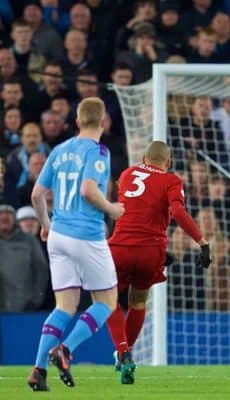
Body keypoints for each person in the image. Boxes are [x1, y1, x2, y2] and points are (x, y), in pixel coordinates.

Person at [27, 97, 124, 391]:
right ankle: (65, 349)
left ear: (78, 121)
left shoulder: (58, 150)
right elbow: (88, 190)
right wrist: (112, 208)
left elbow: (36, 195)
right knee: (106, 301)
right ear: (103, 122)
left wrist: (46, 226)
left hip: (58, 235)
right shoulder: (99, 151)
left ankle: (39, 371)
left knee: (65, 305)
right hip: (86, 235)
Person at [105, 141, 212, 384]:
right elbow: (179, 213)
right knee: (139, 301)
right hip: (151, 250)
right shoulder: (171, 180)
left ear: (143, 157)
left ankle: (122, 351)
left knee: (108, 300)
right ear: (168, 162)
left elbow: (135, 210)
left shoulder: (127, 173)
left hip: (120, 246)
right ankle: (127, 352)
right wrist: (202, 242)